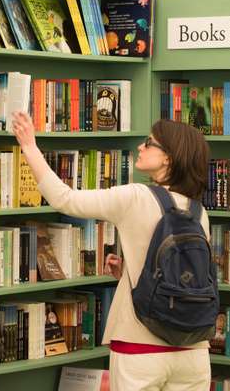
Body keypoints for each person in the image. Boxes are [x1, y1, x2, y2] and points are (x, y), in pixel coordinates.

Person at [12, 112, 211, 391]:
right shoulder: (198, 211)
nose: (140, 147)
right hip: (194, 350)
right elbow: (183, 278)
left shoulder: (135, 196)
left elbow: (64, 199)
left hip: (140, 347)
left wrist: (30, 147)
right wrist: (128, 275)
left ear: (169, 157)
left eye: (149, 143)